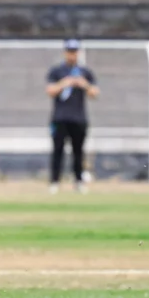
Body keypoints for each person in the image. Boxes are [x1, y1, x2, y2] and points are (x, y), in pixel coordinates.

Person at [46, 39, 99, 193]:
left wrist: (84, 84)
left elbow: (95, 93)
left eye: (74, 52)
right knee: (58, 150)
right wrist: (64, 83)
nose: (72, 55)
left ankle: (79, 181)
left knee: (78, 151)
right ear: (65, 53)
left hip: (78, 117)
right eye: (69, 52)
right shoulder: (57, 71)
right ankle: (54, 182)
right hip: (60, 117)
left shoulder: (85, 72)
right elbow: (50, 91)